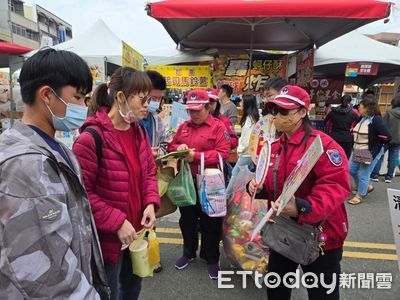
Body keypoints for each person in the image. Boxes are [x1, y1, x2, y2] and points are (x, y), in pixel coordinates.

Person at [0, 48, 108, 299]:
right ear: (47, 95)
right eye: (78, 97)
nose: (84, 106)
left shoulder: (51, 145)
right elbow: (47, 273)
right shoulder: (26, 164)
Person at [249, 85, 351, 300]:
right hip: (283, 231)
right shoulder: (275, 147)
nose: (277, 116)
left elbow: (335, 186)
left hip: (321, 235)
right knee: (276, 289)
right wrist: (259, 188)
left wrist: (303, 206)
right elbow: (272, 184)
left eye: (284, 111)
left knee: (322, 293)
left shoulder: (324, 146)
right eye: (274, 110)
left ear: (303, 112)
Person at [72, 67, 160, 300]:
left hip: (138, 234)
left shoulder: (139, 132)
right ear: (120, 97)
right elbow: (81, 194)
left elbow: (149, 172)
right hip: (108, 240)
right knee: (108, 292)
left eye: (149, 100)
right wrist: (117, 222)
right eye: (142, 99)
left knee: (132, 290)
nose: (147, 106)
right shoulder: (90, 139)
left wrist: (151, 203)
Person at [168, 89, 231, 280]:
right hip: (187, 183)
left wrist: (196, 156)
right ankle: (188, 252)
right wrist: (178, 148)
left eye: (198, 110)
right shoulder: (184, 127)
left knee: (210, 222)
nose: (194, 114)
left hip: (211, 183)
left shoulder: (218, 127)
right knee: (187, 220)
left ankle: (211, 258)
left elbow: (223, 153)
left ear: (207, 108)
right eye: (191, 110)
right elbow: (171, 145)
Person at [348, 96, 391, 205]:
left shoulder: (376, 120)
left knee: (363, 173)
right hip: (358, 149)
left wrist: (374, 150)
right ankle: (366, 187)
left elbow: (387, 137)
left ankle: (360, 194)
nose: (358, 109)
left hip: (368, 151)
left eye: (361, 107)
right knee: (351, 169)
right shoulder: (362, 118)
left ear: (367, 108)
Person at [139, 70, 170, 158]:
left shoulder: (156, 119)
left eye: (159, 98)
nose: (156, 102)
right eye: (153, 98)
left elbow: (164, 141)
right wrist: (147, 153)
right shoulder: (131, 118)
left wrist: (161, 151)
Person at [370, 96, 400, 183]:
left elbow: (383, 125)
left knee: (380, 156)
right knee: (393, 157)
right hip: (398, 139)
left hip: (387, 138)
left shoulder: (389, 112)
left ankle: (375, 174)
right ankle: (389, 177)